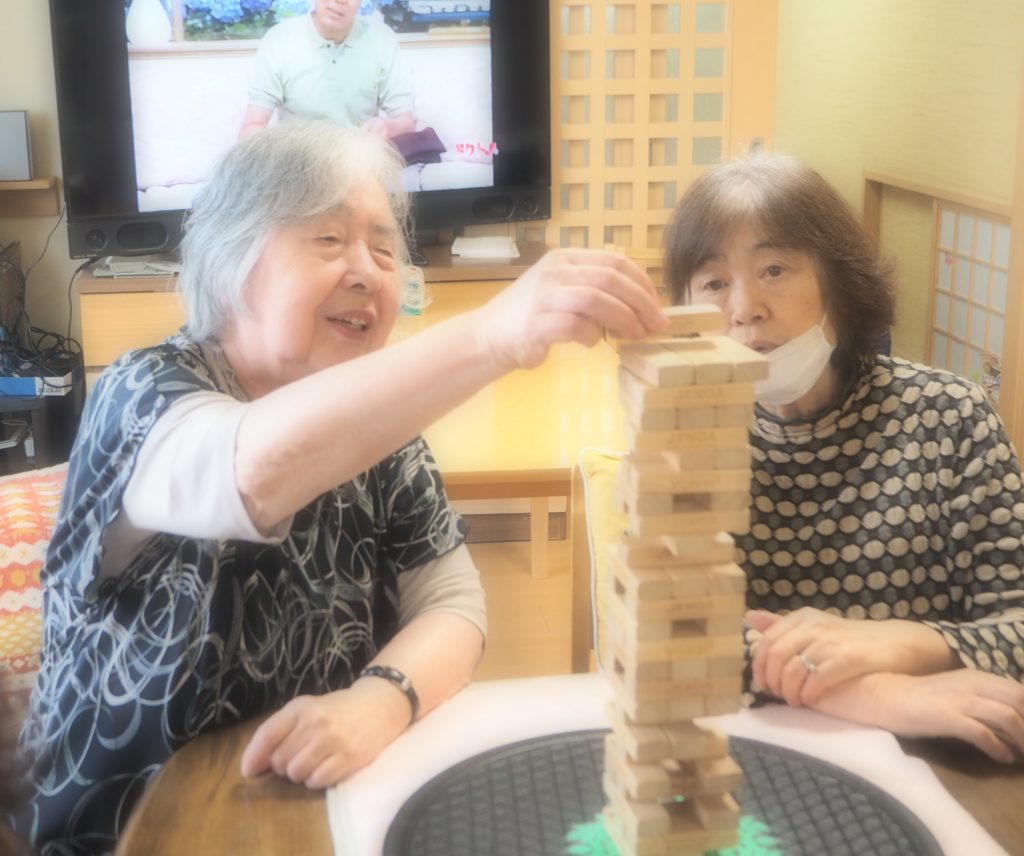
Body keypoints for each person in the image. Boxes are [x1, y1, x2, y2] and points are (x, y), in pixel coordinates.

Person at [15, 121, 666, 854]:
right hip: (131, 826)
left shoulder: (380, 430)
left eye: (384, 249)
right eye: (328, 240)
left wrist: (379, 699)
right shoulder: (142, 390)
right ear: (234, 262)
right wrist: (490, 335)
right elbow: (244, 472)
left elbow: (452, 602)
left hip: (317, 809)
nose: (367, 272)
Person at [664, 151, 1024, 763]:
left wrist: (901, 643)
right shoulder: (689, 437)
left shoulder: (951, 418)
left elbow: (1016, 627)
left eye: (774, 269)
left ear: (838, 282)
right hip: (751, 759)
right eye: (715, 283)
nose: (744, 308)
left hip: (937, 761)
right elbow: (673, 644)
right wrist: (876, 695)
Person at [239, 0, 416, 140]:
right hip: (297, 159)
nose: (340, 1)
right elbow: (252, 127)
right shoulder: (279, 39)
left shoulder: (381, 39)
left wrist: (386, 127)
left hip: (360, 158)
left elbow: (406, 122)